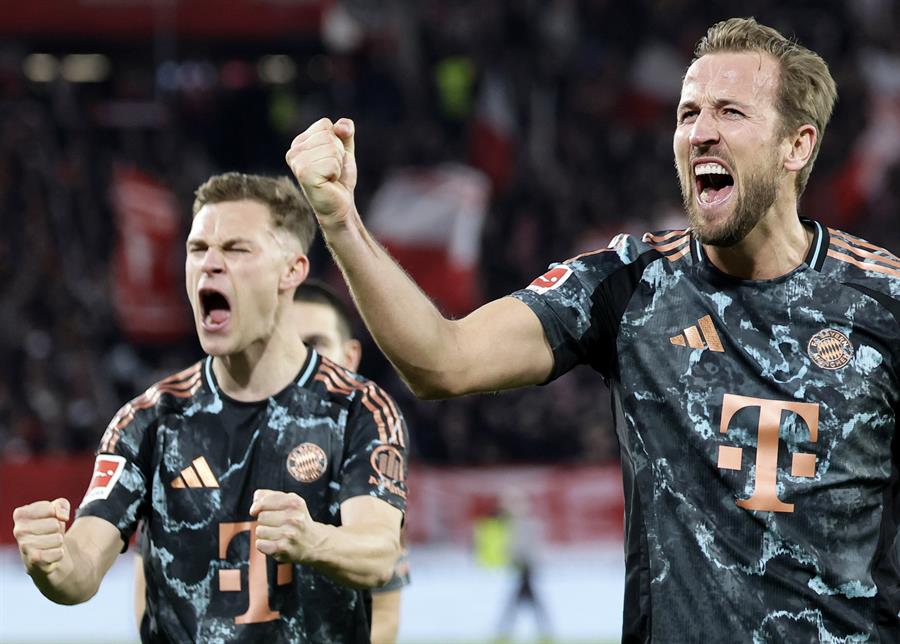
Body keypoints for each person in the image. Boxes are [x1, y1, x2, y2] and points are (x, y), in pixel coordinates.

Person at [285, 17, 900, 642]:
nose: (700, 133)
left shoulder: (886, 302)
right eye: (687, 114)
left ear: (797, 145)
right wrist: (341, 222)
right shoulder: (628, 284)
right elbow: (442, 360)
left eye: (731, 112)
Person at [12, 172, 409, 643]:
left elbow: (379, 552)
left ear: (292, 270)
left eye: (237, 249)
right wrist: (52, 562)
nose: (210, 265)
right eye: (198, 249)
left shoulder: (357, 409)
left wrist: (312, 539)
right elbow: (80, 571)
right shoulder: (148, 421)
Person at [293, 279, 411, 644]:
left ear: (350, 356)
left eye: (317, 344)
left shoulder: (368, 443)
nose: (304, 360)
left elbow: (384, 609)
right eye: (290, 346)